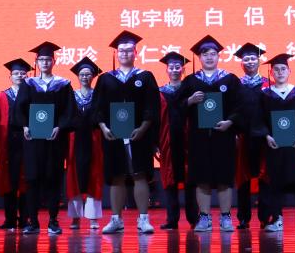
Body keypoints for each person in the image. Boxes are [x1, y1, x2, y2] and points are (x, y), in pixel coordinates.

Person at [97, 31, 160, 235]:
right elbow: (98, 108)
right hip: (113, 135)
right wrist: (103, 127)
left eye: (129, 50)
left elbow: (152, 106)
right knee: (117, 176)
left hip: (139, 134)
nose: (125, 53)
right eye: (121, 50)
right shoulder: (106, 79)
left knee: (139, 174)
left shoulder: (145, 77)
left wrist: (143, 128)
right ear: (116, 54)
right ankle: (116, 220)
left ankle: (143, 219)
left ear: (136, 53)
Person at [178, 35, 243, 232]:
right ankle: (204, 218)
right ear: (199, 58)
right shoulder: (190, 81)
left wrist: (230, 122)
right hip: (198, 138)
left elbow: (240, 106)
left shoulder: (230, 80)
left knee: (224, 178)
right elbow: (176, 107)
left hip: (223, 136)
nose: (209, 57)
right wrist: (189, 101)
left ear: (218, 56)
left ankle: (226, 217)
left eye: (213, 54)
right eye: (205, 54)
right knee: (201, 178)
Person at [15, 41, 75, 235]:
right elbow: (19, 109)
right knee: (32, 179)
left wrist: (60, 127)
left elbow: (69, 111)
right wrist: (24, 126)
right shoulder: (28, 84)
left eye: (48, 59)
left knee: (53, 179)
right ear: (37, 62)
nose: (45, 63)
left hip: (54, 141)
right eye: (41, 60)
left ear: (54, 61)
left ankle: (53, 220)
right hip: (32, 141)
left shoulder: (63, 85)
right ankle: (32, 221)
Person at [256, 53, 295, 233]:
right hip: (274, 146)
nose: (280, 72)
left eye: (283, 69)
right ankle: (276, 218)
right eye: (276, 69)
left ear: (289, 71)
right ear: (271, 72)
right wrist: (266, 136)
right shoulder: (265, 95)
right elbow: (259, 120)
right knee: (275, 182)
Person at [157, 51, 197, 230]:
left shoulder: (189, 90)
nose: (174, 70)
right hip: (168, 139)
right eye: (171, 67)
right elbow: (156, 119)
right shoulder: (160, 93)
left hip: (189, 140)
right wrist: (155, 143)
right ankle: (172, 219)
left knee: (190, 180)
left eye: (177, 67)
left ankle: (193, 217)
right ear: (166, 70)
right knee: (169, 180)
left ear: (183, 69)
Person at [234, 43, 269, 230]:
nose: (249, 62)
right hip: (243, 136)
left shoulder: (267, 84)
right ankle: (243, 217)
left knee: (265, 176)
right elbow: (232, 111)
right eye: (246, 59)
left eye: (253, 58)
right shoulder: (236, 85)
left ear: (259, 61)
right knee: (243, 178)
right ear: (241, 63)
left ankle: (265, 216)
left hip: (264, 137)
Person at [66, 56, 104, 230]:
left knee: (94, 175)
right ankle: (75, 217)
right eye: (82, 74)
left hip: (94, 139)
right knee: (73, 177)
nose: (85, 77)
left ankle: (93, 217)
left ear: (93, 76)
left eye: (88, 74)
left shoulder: (99, 96)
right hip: (74, 139)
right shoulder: (71, 95)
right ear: (77, 76)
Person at [0, 58, 30, 230]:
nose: (19, 76)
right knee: (8, 181)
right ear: (10, 77)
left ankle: (24, 219)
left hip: (27, 142)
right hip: (7, 144)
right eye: (16, 73)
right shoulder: (1, 96)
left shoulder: (31, 95)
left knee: (25, 181)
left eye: (23, 73)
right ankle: (9, 219)